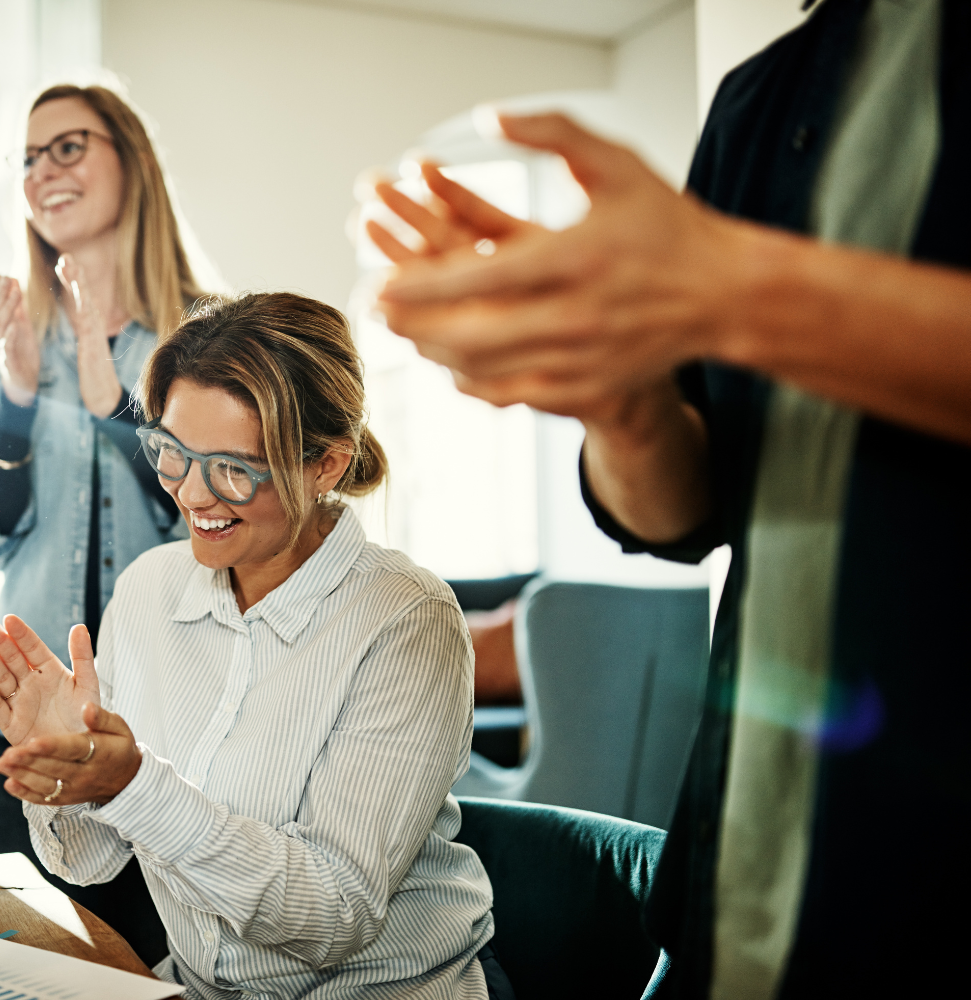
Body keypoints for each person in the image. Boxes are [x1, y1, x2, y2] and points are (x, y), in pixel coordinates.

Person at [366, 0, 969, 995]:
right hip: (746, 863)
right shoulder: (762, 96)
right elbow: (687, 509)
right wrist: (619, 403)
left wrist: (733, 288)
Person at [0, 292, 507, 1000]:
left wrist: (133, 783)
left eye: (231, 468)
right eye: (170, 453)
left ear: (326, 465)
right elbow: (91, 861)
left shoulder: (407, 619)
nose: (190, 495)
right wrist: (71, 776)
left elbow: (334, 912)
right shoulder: (149, 589)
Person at [0, 83, 207, 957]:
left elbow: (221, 530)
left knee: (155, 964)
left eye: (68, 147)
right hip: (19, 723)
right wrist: (17, 403)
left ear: (129, 159)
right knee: (33, 965)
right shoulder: (0, 340)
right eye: (28, 157)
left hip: (168, 734)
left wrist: (114, 407)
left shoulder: (210, 337)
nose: (43, 172)